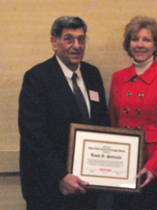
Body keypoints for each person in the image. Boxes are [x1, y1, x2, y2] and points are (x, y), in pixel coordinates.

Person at [18, 16, 110, 210]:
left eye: (81, 39)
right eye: (69, 39)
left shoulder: (93, 74)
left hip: (87, 186)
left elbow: (102, 122)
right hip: (50, 188)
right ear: (54, 42)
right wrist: (60, 175)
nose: (76, 46)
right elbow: (33, 135)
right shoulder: (37, 78)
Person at [109, 16, 157, 209]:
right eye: (135, 39)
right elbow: (113, 122)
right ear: (128, 44)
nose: (140, 45)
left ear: (156, 45)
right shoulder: (117, 77)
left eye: (146, 39)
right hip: (126, 166)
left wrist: (153, 167)